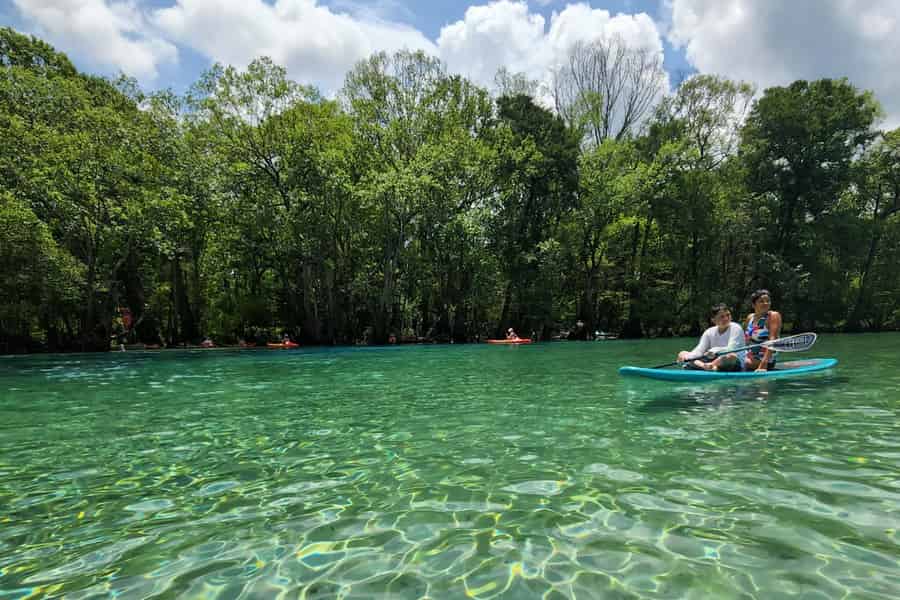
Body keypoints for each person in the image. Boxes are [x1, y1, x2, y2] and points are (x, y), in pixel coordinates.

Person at [676, 303, 745, 371]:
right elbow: (699, 351)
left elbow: (731, 349)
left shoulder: (736, 328)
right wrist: (686, 357)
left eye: (728, 315)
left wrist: (714, 351)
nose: (726, 318)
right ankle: (707, 367)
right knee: (683, 353)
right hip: (712, 360)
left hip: (732, 361)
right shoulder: (709, 332)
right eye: (722, 317)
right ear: (713, 320)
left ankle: (705, 366)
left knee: (731, 356)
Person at [744, 289, 782, 372]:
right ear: (753, 305)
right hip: (748, 355)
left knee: (740, 362)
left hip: (765, 359)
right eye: (761, 301)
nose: (766, 303)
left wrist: (763, 364)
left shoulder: (773, 316)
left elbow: (773, 340)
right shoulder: (750, 317)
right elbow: (745, 341)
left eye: (768, 301)